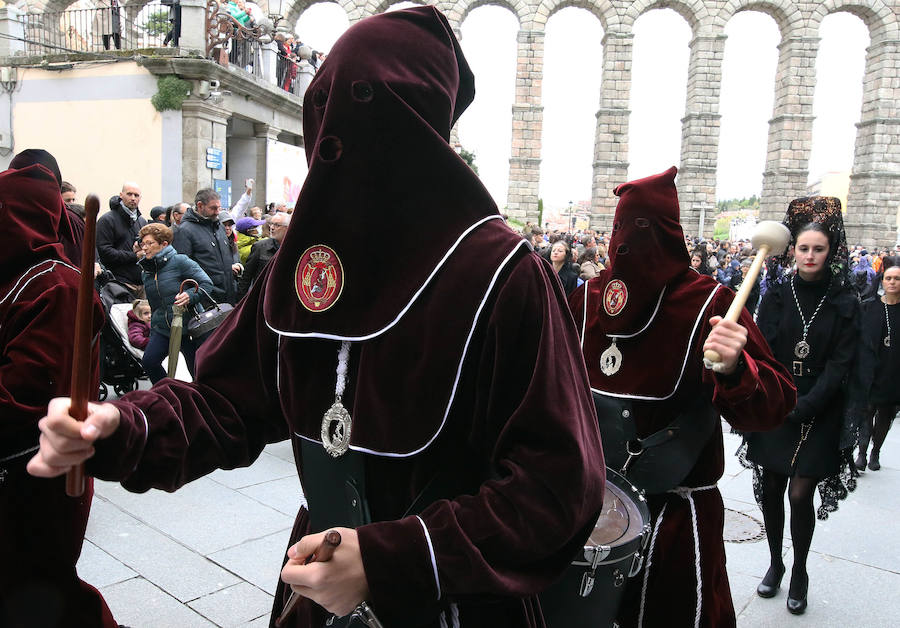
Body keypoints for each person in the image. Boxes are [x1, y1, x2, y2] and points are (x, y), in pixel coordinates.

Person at [27, 7, 606, 628]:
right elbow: (228, 402)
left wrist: (392, 559)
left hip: (458, 603)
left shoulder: (501, 271)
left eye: (368, 109)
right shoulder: (304, 267)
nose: (338, 139)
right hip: (315, 587)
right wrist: (119, 424)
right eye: (326, 108)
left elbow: (559, 485)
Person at [568, 167, 796, 627]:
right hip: (587, 506)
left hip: (674, 515)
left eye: (643, 228)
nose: (627, 243)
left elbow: (775, 404)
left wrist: (736, 369)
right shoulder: (587, 299)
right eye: (620, 229)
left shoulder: (712, 304)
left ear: (669, 233)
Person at [0, 160, 117, 627]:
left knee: (38, 588)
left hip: (33, 471)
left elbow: (23, 397)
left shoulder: (56, 285)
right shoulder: (14, 276)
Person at [745, 197, 858, 616]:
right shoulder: (776, 294)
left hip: (820, 406)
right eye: (803, 248)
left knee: (800, 492)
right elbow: (766, 350)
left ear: (832, 251)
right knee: (772, 488)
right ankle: (775, 562)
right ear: (792, 250)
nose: (809, 256)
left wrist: (808, 404)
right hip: (779, 399)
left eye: (818, 249)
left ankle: (800, 570)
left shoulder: (845, 300)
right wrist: (777, 397)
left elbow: (841, 363)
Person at [136, 223, 213, 383]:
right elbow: (155, 304)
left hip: (189, 327)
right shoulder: (147, 271)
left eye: (150, 243)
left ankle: (202, 401)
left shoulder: (180, 261)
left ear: (164, 244)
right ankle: (169, 394)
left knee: (198, 373)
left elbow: (206, 283)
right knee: (149, 362)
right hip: (163, 328)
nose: (145, 248)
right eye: (143, 244)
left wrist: (190, 295)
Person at [854, 257, 900, 471]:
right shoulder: (868, 306)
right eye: (888, 278)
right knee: (866, 411)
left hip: (894, 371)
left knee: (885, 413)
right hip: (870, 369)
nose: (892, 282)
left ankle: (876, 451)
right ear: (882, 280)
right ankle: (862, 453)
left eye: (897, 279)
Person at [172, 189, 242, 306]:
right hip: (205, 298)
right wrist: (192, 294)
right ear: (200, 206)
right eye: (213, 208)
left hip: (228, 296)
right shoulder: (185, 230)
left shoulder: (219, 226)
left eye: (219, 208)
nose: (217, 212)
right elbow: (181, 267)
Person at [96, 182, 147, 295]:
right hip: (117, 283)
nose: (133, 198)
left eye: (136, 195)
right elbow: (104, 252)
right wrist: (135, 256)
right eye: (129, 194)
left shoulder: (141, 221)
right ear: (121, 195)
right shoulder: (107, 220)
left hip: (140, 283)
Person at [238, 211, 290, 298]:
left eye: (277, 225)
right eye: (271, 224)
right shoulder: (259, 247)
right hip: (262, 297)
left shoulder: (292, 249)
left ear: (287, 228)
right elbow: (246, 278)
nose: (272, 228)